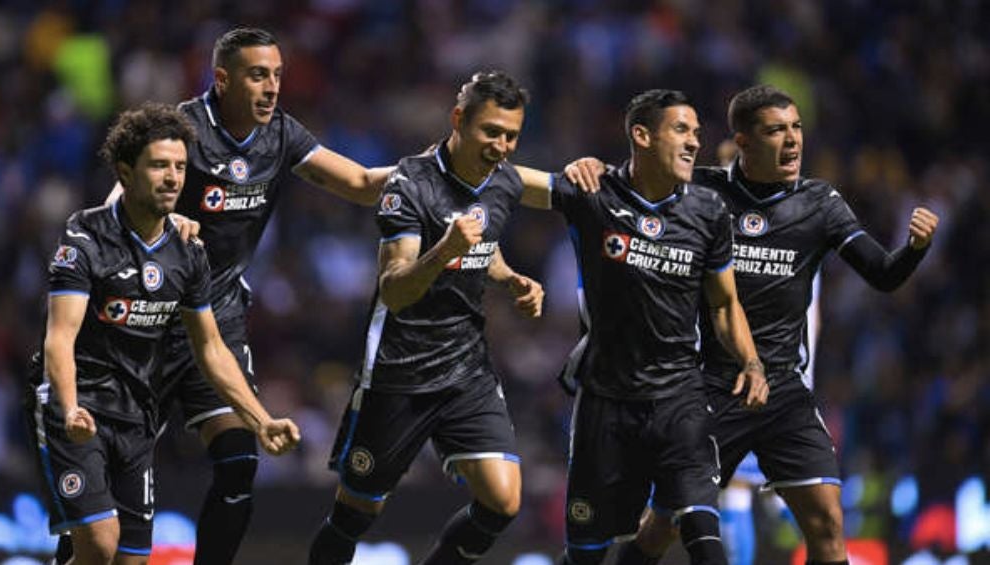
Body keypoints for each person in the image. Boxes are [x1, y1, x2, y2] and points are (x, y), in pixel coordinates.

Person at [568, 85, 939, 565]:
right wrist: (595, 168)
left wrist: (914, 248)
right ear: (742, 141)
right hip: (707, 386)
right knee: (665, 526)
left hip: (782, 387)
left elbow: (884, 275)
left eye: (796, 129)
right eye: (775, 131)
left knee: (827, 520)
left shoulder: (821, 204)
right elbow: (636, 191)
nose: (792, 142)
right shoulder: (700, 193)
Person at [76, 27, 392, 565]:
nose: (271, 88)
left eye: (276, 76)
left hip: (215, 318)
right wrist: (158, 213)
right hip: (143, 323)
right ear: (222, 79)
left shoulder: (282, 135)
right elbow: (113, 213)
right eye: (256, 75)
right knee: (105, 484)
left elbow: (361, 183)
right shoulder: (180, 130)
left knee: (239, 464)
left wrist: (439, 173)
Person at [25, 103, 300, 565]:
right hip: (78, 406)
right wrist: (69, 407)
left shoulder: (189, 252)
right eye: (159, 166)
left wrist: (261, 419)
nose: (173, 177)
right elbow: (60, 338)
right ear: (125, 173)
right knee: (99, 543)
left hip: (138, 413)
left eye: (179, 167)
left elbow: (210, 347)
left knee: (131, 559)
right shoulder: (85, 239)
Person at [308, 70, 547, 565]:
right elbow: (395, 290)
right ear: (459, 120)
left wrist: (509, 278)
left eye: (510, 135)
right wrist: (445, 250)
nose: (501, 146)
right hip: (399, 371)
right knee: (356, 512)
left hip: (467, 370)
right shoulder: (409, 185)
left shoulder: (502, 181)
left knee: (503, 500)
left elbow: (485, 249)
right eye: (490, 132)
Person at [527, 89, 769, 565]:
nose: (694, 142)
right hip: (606, 402)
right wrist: (445, 162)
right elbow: (508, 181)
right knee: (586, 555)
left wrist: (752, 361)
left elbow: (723, 304)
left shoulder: (708, 212)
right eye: (681, 130)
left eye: (697, 132)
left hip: (679, 399)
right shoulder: (594, 194)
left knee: (702, 531)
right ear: (641, 135)